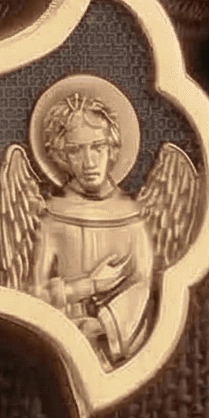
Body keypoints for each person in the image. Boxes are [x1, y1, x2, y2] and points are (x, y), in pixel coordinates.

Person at [28, 90, 154, 363]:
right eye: (75, 150)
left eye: (97, 147)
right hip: (63, 338)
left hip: (116, 342)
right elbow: (33, 293)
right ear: (61, 156)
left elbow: (145, 284)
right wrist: (90, 285)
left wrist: (103, 325)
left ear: (113, 147)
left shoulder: (132, 218)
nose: (89, 162)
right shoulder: (52, 218)